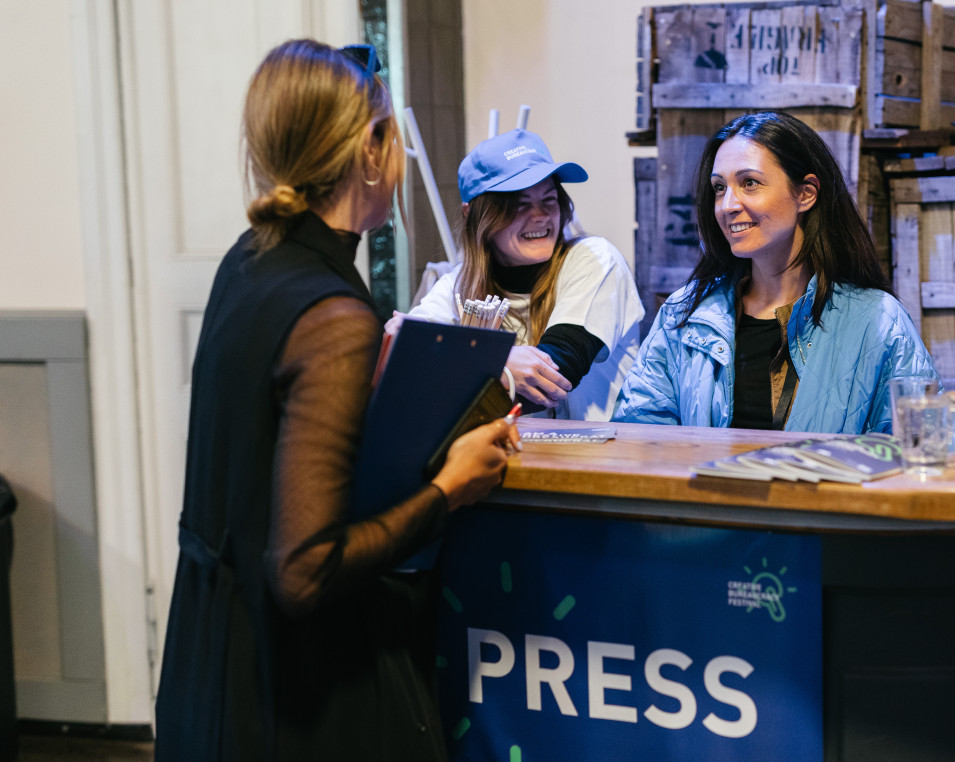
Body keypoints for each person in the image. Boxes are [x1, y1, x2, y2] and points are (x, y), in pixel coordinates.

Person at [154, 40, 516, 762]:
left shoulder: (251, 258)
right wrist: (451, 488)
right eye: (394, 138)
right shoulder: (331, 317)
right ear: (369, 152)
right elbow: (303, 568)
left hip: (209, 659)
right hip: (298, 697)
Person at [613, 111, 938, 434]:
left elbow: (922, 447)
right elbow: (639, 438)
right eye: (719, 187)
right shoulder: (683, 315)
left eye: (750, 183)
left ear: (806, 194)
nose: (727, 205)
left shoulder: (879, 321)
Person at [399, 128, 644, 421]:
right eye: (518, 204)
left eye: (549, 200)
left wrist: (476, 364)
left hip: (601, 459)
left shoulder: (596, 259)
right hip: (506, 458)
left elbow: (554, 376)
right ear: (474, 215)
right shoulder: (458, 285)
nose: (540, 215)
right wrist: (501, 364)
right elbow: (403, 361)